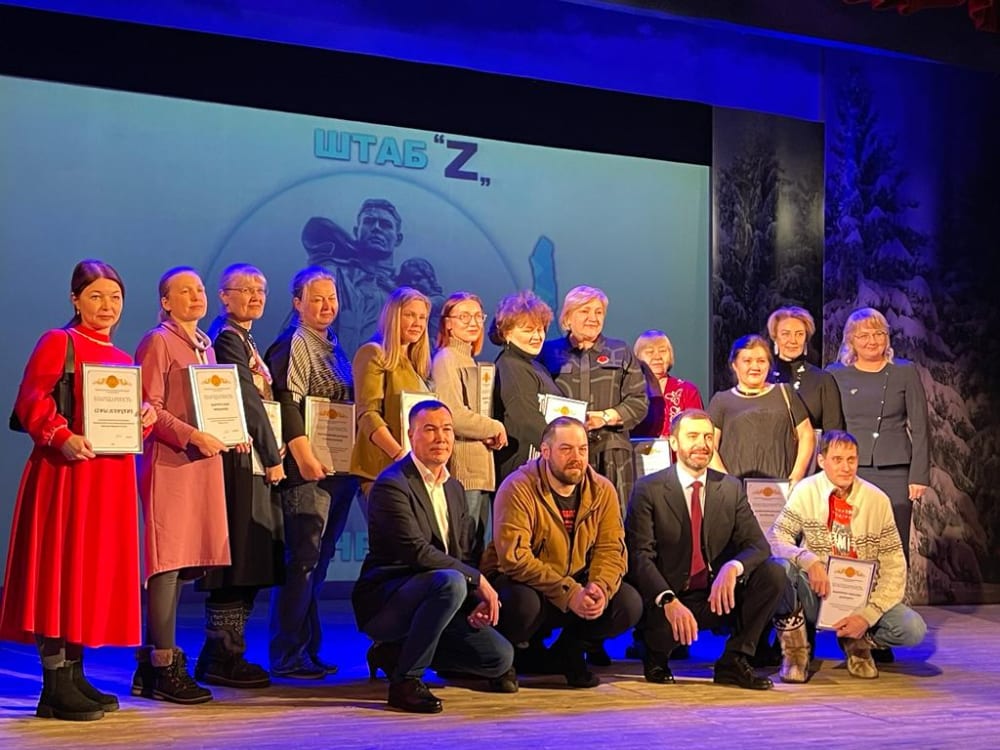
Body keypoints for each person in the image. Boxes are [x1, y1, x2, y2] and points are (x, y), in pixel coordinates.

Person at [1, 260, 155, 722]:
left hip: (109, 481)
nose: (107, 306)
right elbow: (31, 400)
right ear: (75, 299)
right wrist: (59, 435)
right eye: (95, 296)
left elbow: (119, 423)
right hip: (65, 475)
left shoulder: (122, 358)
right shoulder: (59, 341)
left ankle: (74, 674)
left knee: (87, 573)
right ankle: (54, 685)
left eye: (115, 297)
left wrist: (143, 417)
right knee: (60, 569)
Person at [352, 400, 516, 713]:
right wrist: (476, 580)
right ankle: (406, 681)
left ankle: (395, 653)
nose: (440, 437)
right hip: (389, 600)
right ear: (410, 435)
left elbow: (464, 554)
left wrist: (475, 601)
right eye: (430, 429)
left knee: (499, 658)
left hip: (441, 598)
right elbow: (416, 551)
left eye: (447, 430)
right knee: (451, 581)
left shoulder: (454, 488)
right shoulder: (391, 484)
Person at [625, 409, 785, 690]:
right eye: (693, 436)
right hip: (669, 597)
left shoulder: (730, 488)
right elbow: (639, 556)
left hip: (715, 595)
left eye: (708, 437)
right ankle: (655, 653)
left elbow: (758, 546)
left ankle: (735, 659)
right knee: (658, 631)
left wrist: (733, 567)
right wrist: (667, 599)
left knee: (773, 574)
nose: (702, 444)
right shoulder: (648, 488)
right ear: (674, 442)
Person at [134, 266, 234, 704]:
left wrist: (231, 430)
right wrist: (193, 435)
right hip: (171, 463)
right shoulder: (158, 341)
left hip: (201, 464)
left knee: (182, 564)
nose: (196, 296)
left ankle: (150, 667)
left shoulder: (205, 346)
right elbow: (148, 407)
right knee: (166, 563)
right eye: (185, 290)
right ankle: (163, 665)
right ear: (165, 301)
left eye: (199, 289)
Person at [482, 417, 642, 688]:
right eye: (566, 449)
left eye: (582, 449)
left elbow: (611, 548)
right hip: (524, 584)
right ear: (545, 452)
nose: (577, 458)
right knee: (523, 604)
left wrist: (599, 587)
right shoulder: (518, 487)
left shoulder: (602, 490)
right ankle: (503, 660)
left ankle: (569, 652)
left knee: (628, 603)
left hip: (575, 585)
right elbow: (515, 559)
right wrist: (569, 592)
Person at [767, 430, 927, 683]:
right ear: (822, 460)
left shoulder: (877, 500)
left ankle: (857, 642)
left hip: (861, 597)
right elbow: (776, 537)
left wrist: (866, 616)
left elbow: (894, 564)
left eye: (851, 460)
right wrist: (808, 560)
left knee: (913, 629)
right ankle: (795, 653)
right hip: (817, 593)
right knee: (780, 568)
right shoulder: (805, 491)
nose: (845, 467)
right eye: (837, 459)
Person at [264, 266, 359, 679]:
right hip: (308, 470)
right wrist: (302, 454)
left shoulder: (334, 346)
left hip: (338, 470)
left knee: (318, 563)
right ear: (297, 303)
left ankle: (307, 648)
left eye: (331, 298)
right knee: (302, 560)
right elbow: (287, 400)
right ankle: (287, 654)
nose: (326, 306)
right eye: (316, 298)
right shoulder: (294, 343)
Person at [195, 264, 285, 689]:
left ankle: (228, 652)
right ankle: (221, 655)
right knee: (239, 559)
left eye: (261, 289)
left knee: (252, 558)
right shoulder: (226, 338)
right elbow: (246, 398)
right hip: (240, 462)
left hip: (253, 460)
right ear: (223, 296)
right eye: (245, 289)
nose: (255, 296)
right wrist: (271, 452)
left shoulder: (245, 338)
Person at [827, 308, 929, 565]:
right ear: (850, 340)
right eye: (863, 335)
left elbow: (920, 426)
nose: (872, 340)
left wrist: (918, 475)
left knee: (893, 544)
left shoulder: (905, 372)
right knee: (850, 542)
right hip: (850, 470)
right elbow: (831, 427)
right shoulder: (836, 374)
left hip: (896, 471)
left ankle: (894, 592)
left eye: (878, 333)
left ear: (887, 337)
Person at [540, 285, 648, 517]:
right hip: (564, 453)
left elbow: (639, 401)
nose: (593, 318)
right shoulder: (548, 352)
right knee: (564, 519)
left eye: (599, 312)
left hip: (612, 452)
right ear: (567, 317)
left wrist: (605, 417)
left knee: (615, 521)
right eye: (585, 311)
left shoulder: (620, 351)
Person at [302, 198, 442, 357]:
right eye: (369, 222)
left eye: (385, 225)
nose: (376, 228)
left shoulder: (409, 293)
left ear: (398, 238)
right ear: (357, 231)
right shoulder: (334, 276)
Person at [431, 292, 508, 559]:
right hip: (464, 469)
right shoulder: (446, 359)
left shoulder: (470, 360)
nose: (473, 322)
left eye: (477, 316)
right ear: (448, 323)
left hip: (481, 468)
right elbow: (452, 414)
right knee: (463, 551)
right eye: (464, 316)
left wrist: (489, 430)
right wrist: (494, 427)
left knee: (476, 551)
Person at [351, 286, 433, 499]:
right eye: (410, 315)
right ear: (394, 316)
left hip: (413, 472)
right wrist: (400, 455)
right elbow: (368, 415)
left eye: (423, 318)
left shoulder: (416, 365)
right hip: (383, 471)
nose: (418, 323)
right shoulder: (374, 353)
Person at [708, 334, 815, 487]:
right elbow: (709, 446)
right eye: (747, 361)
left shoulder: (785, 393)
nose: (755, 367)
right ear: (734, 365)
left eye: (761, 361)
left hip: (782, 489)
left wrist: (796, 476)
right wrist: (727, 483)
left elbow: (806, 435)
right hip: (736, 491)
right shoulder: (721, 400)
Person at [490, 291, 562, 484]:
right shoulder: (511, 366)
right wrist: (562, 447)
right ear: (506, 332)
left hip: (542, 460)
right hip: (524, 468)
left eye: (541, 329)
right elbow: (527, 421)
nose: (537, 336)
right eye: (528, 330)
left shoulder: (535, 366)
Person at [765, 306, 844, 433]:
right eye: (785, 334)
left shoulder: (823, 380)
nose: (793, 340)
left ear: (806, 339)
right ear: (775, 338)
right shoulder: (764, 377)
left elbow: (834, 433)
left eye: (799, 334)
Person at [632, 329, 703, 439]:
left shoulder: (687, 390)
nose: (657, 357)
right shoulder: (630, 391)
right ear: (638, 357)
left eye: (662, 351)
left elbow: (697, 430)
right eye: (650, 352)